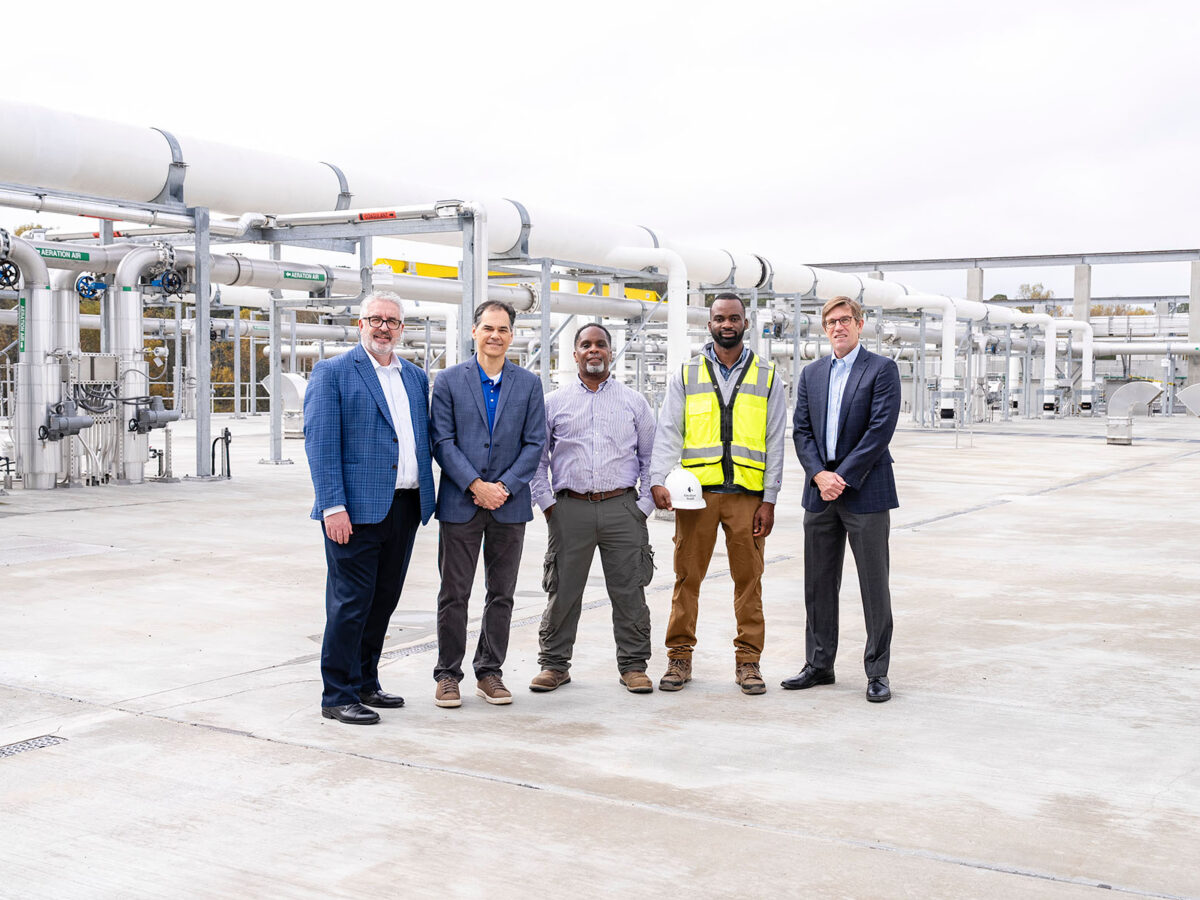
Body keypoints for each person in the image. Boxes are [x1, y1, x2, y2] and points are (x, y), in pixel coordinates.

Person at [303, 291, 436, 725]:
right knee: (350, 602)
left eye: (392, 321)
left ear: (402, 328)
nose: (383, 327)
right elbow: (321, 443)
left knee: (383, 600)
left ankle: (365, 682)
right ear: (360, 324)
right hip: (354, 511)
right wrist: (331, 506)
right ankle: (336, 694)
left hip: (404, 506)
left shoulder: (415, 377)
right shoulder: (334, 372)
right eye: (375, 319)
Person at [649, 293, 785, 695]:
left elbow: (775, 440)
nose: (727, 324)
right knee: (687, 578)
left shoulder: (767, 374)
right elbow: (669, 429)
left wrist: (770, 498)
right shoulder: (687, 374)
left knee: (749, 580)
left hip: (747, 496)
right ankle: (679, 659)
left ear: (746, 323)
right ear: (709, 325)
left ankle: (748, 663)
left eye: (734, 318)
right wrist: (659, 478)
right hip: (697, 497)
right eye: (720, 318)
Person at [782, 296, 901, 703]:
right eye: (831, 321)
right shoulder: (812, 374)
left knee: (873, 585)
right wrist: (819, 475)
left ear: (860, 324)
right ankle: (819, 664)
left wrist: (842, 478)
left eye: (845, 320)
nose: (838, 327)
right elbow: (801, 430)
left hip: (865, 491)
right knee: (817, 584)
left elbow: (879, 430)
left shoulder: (881, 370)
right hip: (819, 493)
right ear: (824, 328)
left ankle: (877, 672)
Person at [528, 323, 657, 695]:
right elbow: (537, 461)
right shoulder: (554, 403)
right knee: (563, 590)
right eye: (586, 345)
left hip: (623, 508)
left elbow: (651, 458)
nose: (594, 350)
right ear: (575, 354)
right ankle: (554, 664)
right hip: (570, 509)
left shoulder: (634, 402)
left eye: (601, 344)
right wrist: (550, 506)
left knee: (629, 590)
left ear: (611, 351)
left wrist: (643, 505)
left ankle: (633, 665)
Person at [430, 300, 546, 708]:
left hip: (509, 506)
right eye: (488, 328)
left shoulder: (529, 384)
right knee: (454, 592)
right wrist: (476, 485)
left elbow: (536, 444)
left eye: (503, 329)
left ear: (512, 336)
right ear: (474, 332)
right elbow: (441, 442)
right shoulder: (447, 381)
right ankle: (448, 674)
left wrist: (505, 487)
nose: (495, 335)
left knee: (502, 593)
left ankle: (489, 672)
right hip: (462, 502)